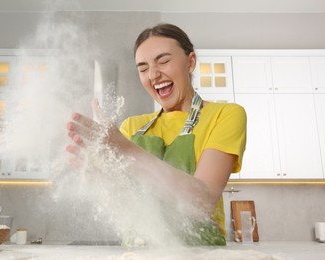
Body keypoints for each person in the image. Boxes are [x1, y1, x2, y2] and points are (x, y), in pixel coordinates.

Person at [66, 23, 247, 246]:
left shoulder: (224, 115)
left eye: (163, 61)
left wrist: (125, 150)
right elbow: (128, 204)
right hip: (138, 252)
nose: (153, 74)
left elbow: (201, 202)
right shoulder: (132, 127)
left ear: (191, 62)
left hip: (201, 254)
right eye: (143, 69)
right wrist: (100, 178)